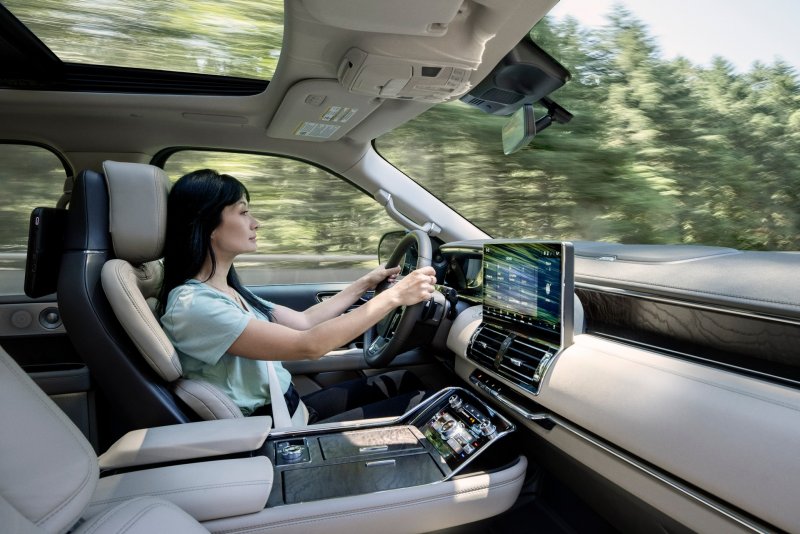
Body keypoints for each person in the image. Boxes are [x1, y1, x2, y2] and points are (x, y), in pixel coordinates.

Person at [158, 169, 438, 424]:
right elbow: (309, 345)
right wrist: (395, 297)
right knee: (429, 405)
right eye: (243, 213)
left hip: (290, 408)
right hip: (277, 427)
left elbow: (304, 322)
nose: (256, 223)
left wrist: (366, 283)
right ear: (207, 224)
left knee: (410, 381)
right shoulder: (195, 306)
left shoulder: (225, 291)